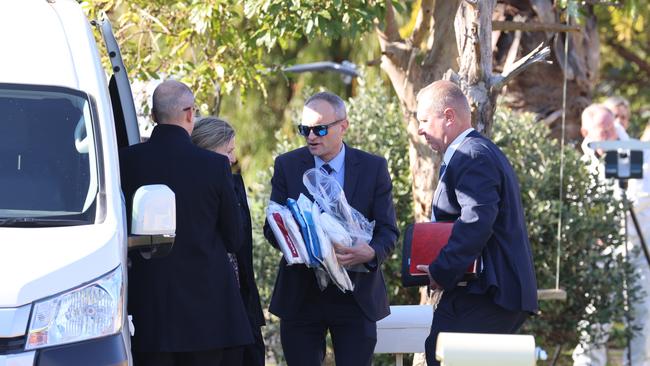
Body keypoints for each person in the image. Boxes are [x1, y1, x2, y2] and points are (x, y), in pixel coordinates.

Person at [119, 80, 252, 366]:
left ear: (153, 116)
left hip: (149, 308)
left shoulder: (125, 162)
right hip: (207, 311)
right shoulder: (214, 166)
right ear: (190, 113)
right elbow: (233, 238)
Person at [263, 91, 399, 366]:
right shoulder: (287, 165)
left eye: (320, 129)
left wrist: (370, 252)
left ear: (343, 126)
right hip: (301, 293)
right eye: (306, 130)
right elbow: (271, 227)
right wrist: (298, 241)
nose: (312, 137)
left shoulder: (373, 167)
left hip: (355, 293)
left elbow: (388, 231)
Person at [414, 80, 538, 366]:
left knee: (440, 353)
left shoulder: (472, 155)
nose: (419, 129)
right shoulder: (472, 152)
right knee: (437, 350)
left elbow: (477, 221)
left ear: (448, 116)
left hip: (489, 293)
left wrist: (442, 270)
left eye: (424, 120)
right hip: (478, 291)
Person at [573, 103, 650, 366]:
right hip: (600, 253)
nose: (608, 136)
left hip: (637, 248)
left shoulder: (636, 153)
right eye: (602, 132)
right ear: (586, 132)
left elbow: (639, 200)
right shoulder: (584, 163)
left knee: (640, 319)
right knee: (595, 320)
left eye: (611, 130)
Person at [191, 117, 266, 366]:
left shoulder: (235, 184)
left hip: (242, 301)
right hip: (210, 304)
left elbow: (243, 246)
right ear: (208, 149)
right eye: (228, 151)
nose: (233, 159)